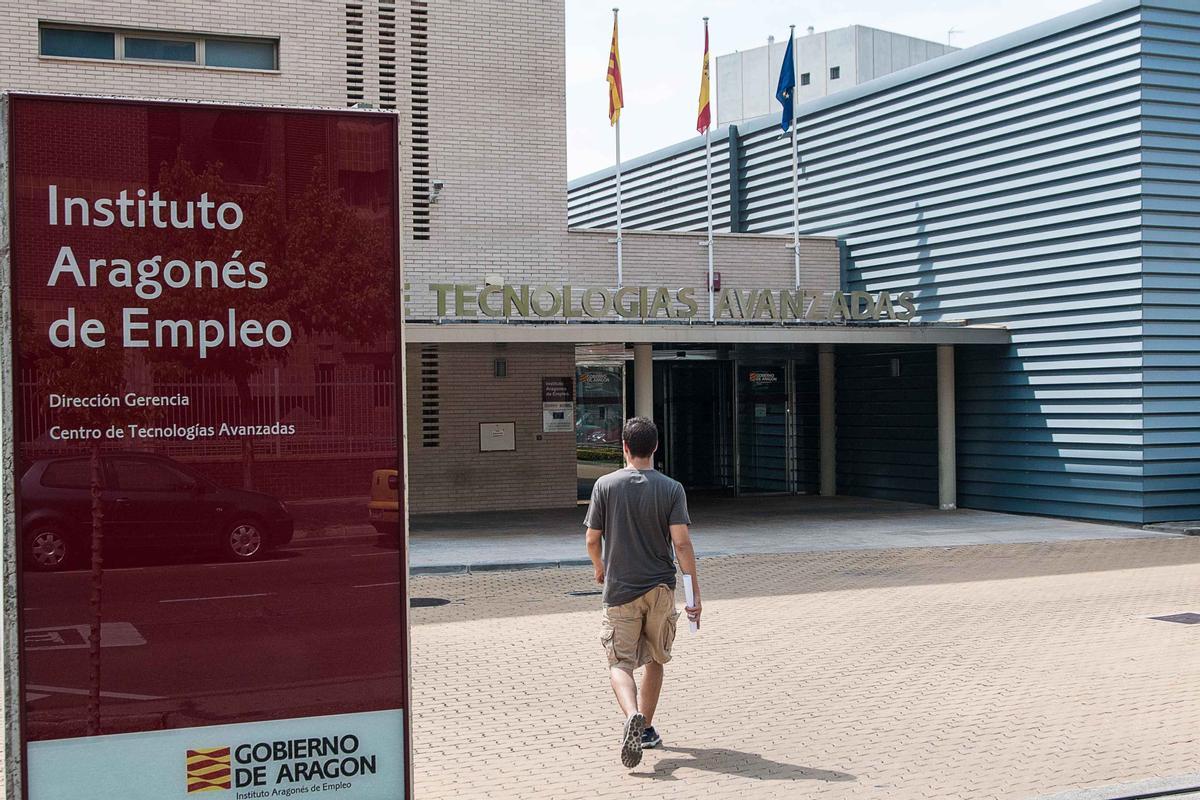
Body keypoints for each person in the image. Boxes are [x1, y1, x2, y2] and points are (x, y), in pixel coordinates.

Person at [584, 416, 702, 769]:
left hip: (621, 589)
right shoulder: (671, 488)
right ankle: (646, 728)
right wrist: (694, 593)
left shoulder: (604, 485)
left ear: (623, 447)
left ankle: (631, 713)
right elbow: (681, 543)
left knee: (620, 662)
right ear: (655, 447)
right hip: (660, 588)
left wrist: (599, 567)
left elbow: (592, 538)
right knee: (654, 658)